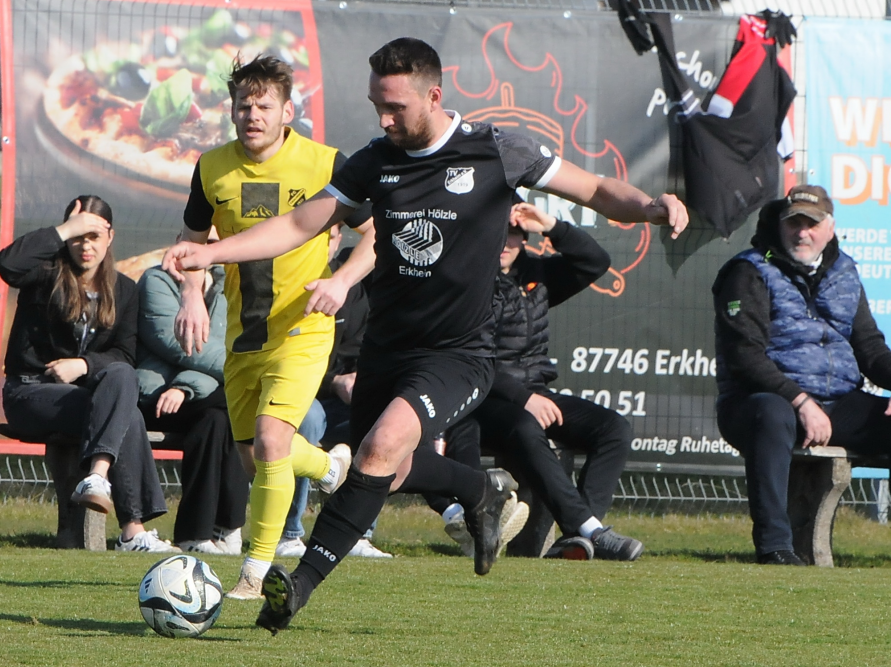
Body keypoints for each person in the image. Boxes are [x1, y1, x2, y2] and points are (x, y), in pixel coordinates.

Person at [163, 37, 687, 632]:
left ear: (433, 96)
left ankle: (294, 589)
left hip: (460, 353)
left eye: (396, 108)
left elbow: (592, 189)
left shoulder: (497, 149)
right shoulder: (374, 159)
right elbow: (299, 223)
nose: (384, 120)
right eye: (376, 107)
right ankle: (479, 491)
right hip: (388, 346)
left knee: (379, 450)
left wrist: (649, 206)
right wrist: (210, 254)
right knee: (382, 469)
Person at [171, 54, 368, 599]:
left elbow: (376, 234)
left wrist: (342, 280)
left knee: (272, 439)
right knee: (256, 459)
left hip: (304, 328)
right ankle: (328, 467)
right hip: (244, 335)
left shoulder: (326, 163)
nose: (252, 115)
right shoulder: (212, 167)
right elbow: (192, 244)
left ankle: (254, 573)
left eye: (263, 106)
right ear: (231, 110)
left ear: (287, 111)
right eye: (243, 105)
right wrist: (192, 296)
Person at [438, 200, 643, 562]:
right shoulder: (465, 278)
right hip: (478, 396)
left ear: (525, 238)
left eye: (513, 233)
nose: (504, 242)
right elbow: (470, 357)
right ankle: (589, 529)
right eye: (496, 233)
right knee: (526, 424)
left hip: (533, 392)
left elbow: (595, 261)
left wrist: (551, 224)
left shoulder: (537, 274)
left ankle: (579, 535)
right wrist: (523, 399)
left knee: (614, 429)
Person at [714, 184, 891, 565]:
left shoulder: (845, 271)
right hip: (758, 404)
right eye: (794, 223)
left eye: (812, 224)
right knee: (773, 413)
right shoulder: (748, 271)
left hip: (838, 403)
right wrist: (801, 401)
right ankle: (775, 547)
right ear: (780, 225)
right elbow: (744, 356)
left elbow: (871, 349)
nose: (802, 233)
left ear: (830, 227)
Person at [0, 195, 177, 553]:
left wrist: (85, 365)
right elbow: (7, 265)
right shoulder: (44, 273)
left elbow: (124, 354)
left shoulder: (124, 290)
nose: (85, 245)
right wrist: (63, 230)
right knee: (126, 416)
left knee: (123, 378)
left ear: (110, 237)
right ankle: (132, 531)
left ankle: (97, 479)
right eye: (78, 236)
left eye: (93, 236)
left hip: (89, 395)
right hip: (30, 392)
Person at [276, 224, 393, 560]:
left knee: (378, 422)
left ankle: (357, 533)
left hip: (341, 397)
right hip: (298, 390)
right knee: (308, 418)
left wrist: (357, 380)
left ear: (339, 241)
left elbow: (363, 351)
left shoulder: (359, 289)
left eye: (330, 238)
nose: (323, 245)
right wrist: (334, 382)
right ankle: (289, 533)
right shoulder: (290, 282)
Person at [135, 260, 248, 555]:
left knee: (217, 420)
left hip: (198, 396)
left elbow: (226, 344)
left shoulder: (227, 285)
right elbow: (178, 342)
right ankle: (229, 524)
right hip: (156, 394)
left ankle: (197, 535)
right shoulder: (156, 281)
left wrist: (187, 386)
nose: (205, 249)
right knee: (241, 395)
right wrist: (243, 371)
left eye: (213, 241)